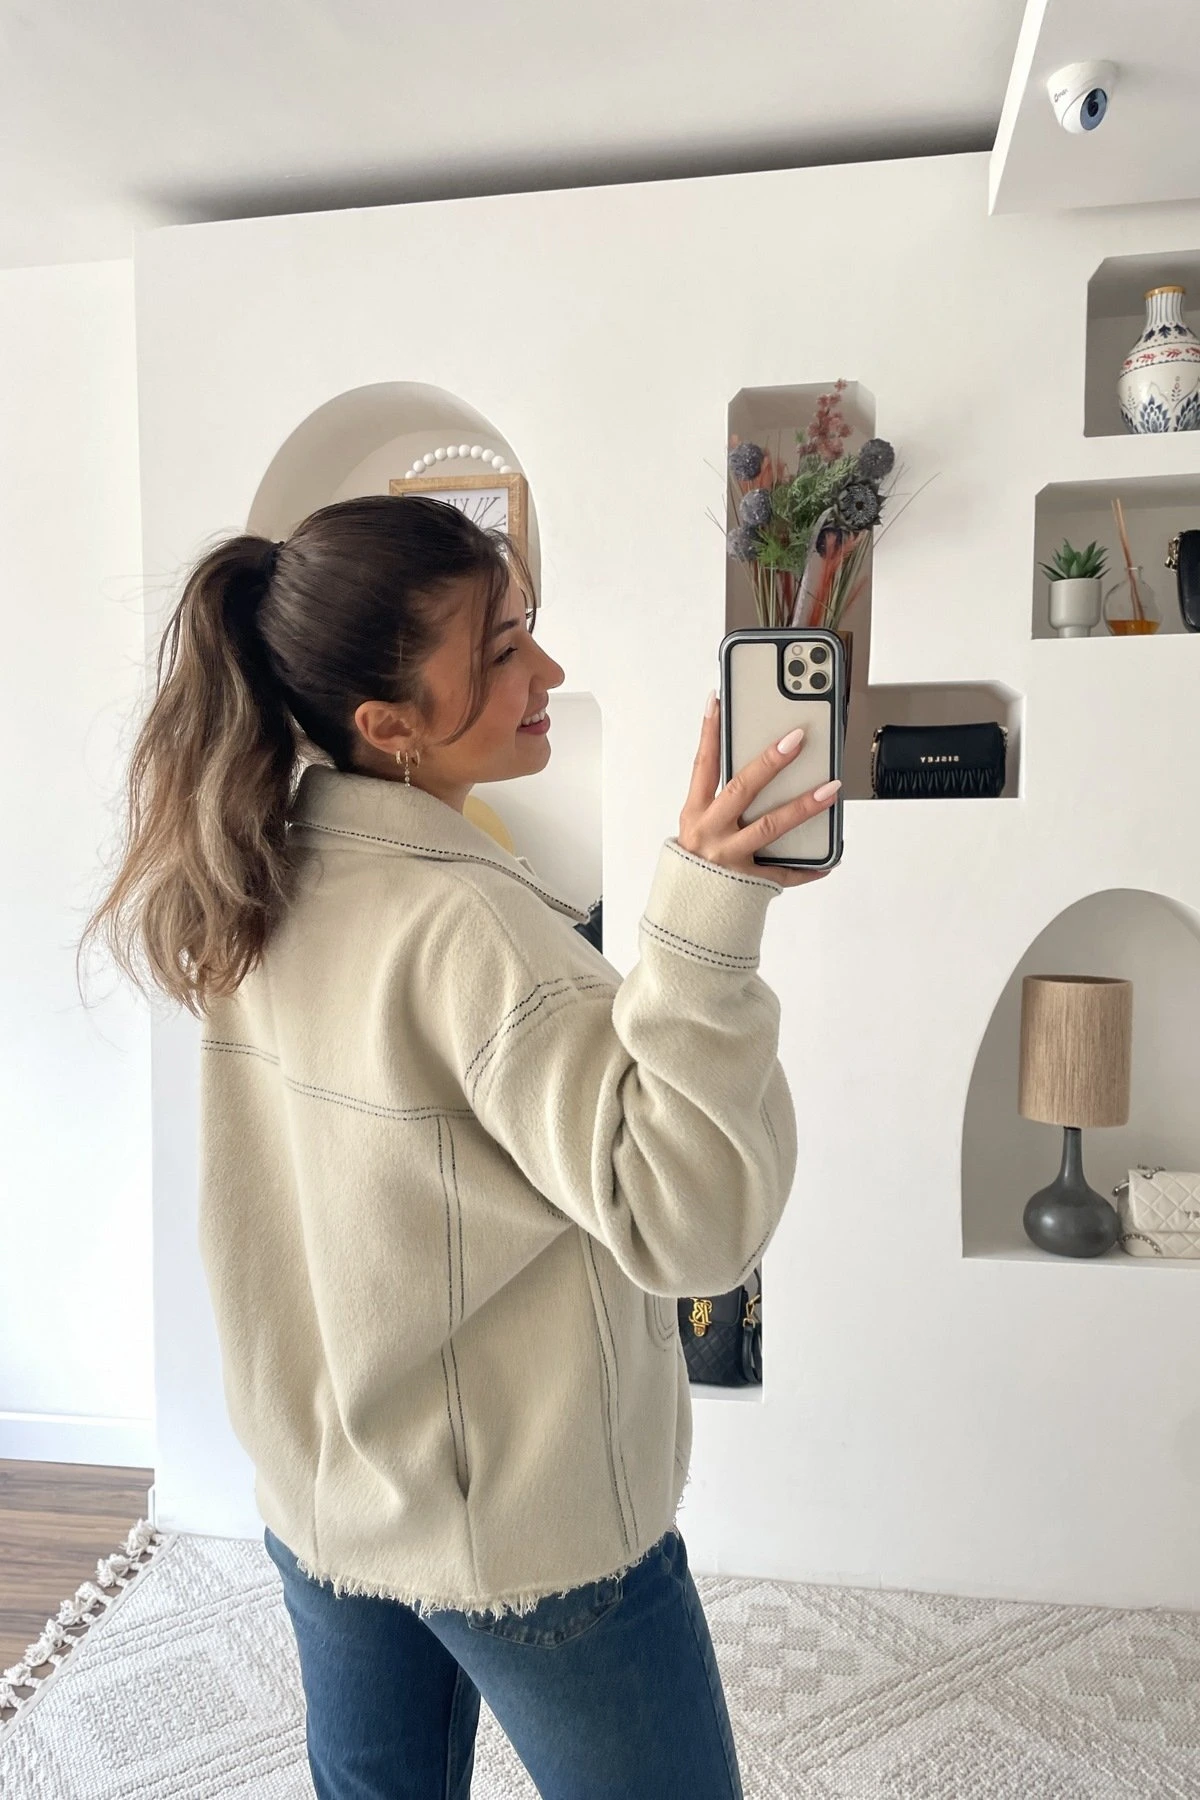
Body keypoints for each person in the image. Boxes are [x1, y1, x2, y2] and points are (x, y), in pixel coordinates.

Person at [78, 493, 840, 1800]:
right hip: (527, 1534)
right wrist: (708, 924)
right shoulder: (468, 933)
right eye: (499, 650)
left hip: (329, 1501)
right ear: (389, 725)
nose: (547, 670)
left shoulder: (254, 878)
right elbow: (691, 1223)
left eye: (528, 629)